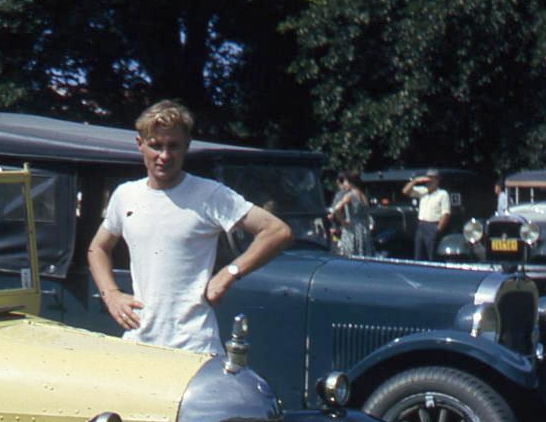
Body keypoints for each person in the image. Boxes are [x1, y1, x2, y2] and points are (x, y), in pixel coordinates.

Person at [87, 100, 291, 354]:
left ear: (187, 146)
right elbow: (98, 248)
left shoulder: (210, 194)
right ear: (140, 144)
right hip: (139, 343)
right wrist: (111, 295)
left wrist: (229, 273)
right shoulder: (125, 195)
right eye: (155, 146)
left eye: (173, 146)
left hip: (195, 347)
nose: (164, 155)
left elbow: (276, 231)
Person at [405, 172, 450, 260]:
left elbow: (446, 213)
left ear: (437, 180)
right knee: (419, 254)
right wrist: (415, 181)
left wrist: (438, 229)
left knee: (431, 255)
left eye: (432, 179)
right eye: (428, 179)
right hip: (421, 225)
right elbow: (405, 191)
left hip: (432, 225)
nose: (429, 181)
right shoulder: (423, 191)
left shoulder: (442, 194)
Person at [328, 171, 372, 257]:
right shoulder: (363, 196)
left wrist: (343, 222)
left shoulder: (350, 195)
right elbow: (366, 214)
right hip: (363, 229)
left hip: (352, 228)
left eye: (345, 182)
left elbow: (336, 209)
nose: (344, 184)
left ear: (350, 182)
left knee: (350, 255)